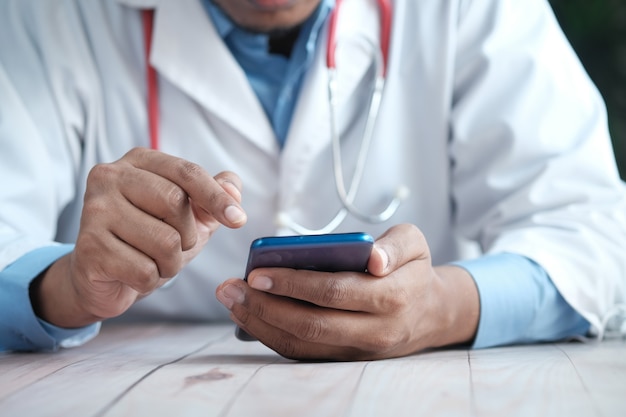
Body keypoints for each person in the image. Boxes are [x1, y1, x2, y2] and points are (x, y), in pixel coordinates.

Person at [0, 0, 624, 361]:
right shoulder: (47, 16)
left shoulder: (474, 10)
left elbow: (596, 233)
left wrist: (444, 306)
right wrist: (65, 289)